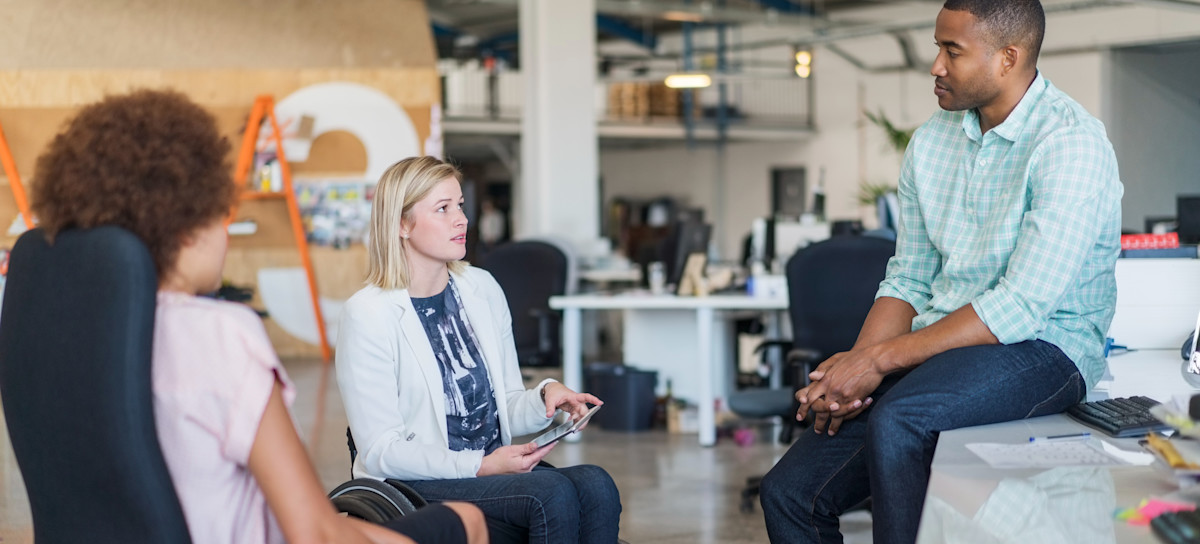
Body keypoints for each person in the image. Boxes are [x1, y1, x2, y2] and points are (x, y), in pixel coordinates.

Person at [30, 89, 488, 544]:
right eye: (219, 212)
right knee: (464, 520)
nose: (225, 230)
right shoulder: (218, 334)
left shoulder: (64, 337)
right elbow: (317, 534)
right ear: (185, 225)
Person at [759, 1, 1124, 543]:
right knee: (789, 495)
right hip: (941, 346)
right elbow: (908, 278)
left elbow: (1019, 307)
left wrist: (877, 361)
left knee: (903, 420)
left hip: (1045, 347)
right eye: (938, 47)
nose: (935, 65)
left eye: (952, 51)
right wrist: (855, 372)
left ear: (1008, 57)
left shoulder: (1070, 143)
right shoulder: (932, 142)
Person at [335, 156, 623, 544]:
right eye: (443, 208)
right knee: (551, 494)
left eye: (460, 206)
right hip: (419, 479)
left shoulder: (481, 288)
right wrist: (481, 466)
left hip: (489, 465)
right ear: (402, 225)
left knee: (597, 484)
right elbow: (382, 451)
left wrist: (547, 397)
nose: (462, 219)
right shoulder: (368, 313)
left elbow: (504, 402)